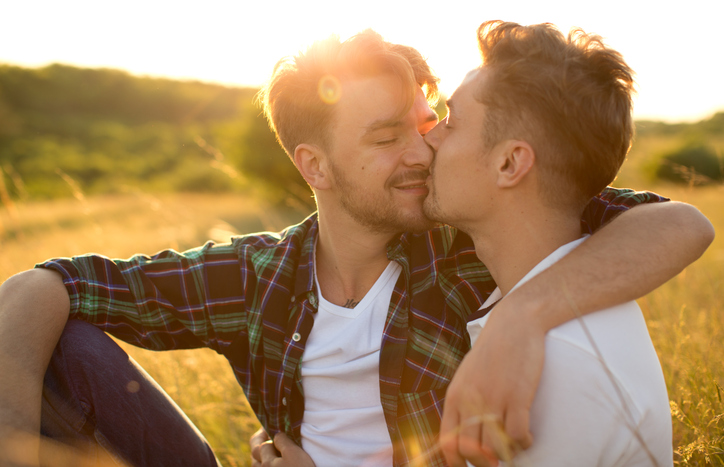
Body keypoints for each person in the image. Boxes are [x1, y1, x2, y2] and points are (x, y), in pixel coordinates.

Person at [0, 29, 713, 467]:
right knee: (64, 343)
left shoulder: (471, 244)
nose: (422, 148)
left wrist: (523, 318)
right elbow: (46, 282)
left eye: (428, 121)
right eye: (385, 137)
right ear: (314, 166)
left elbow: (680, 223)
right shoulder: (255, 276)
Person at [423, 21, 680, 466]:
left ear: (509, 163)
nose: (430, 136)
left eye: (451, 121)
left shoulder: (557, 366)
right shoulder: (532, 316)